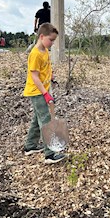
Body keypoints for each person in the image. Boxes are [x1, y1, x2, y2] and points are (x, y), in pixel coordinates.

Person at [23, 23, 66, 164]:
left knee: (37, 119)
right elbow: (34, 76)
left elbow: (46, 67)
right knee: (45, 120)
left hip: (43, 89)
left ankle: (30, 146)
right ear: (41, 37)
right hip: (36, 92)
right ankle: (50, 154)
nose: (52, 43)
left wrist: (51, 75)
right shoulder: (35, 54)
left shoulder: (45, 51)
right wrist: (45, 94)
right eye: (51, 40)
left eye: (54, 40)